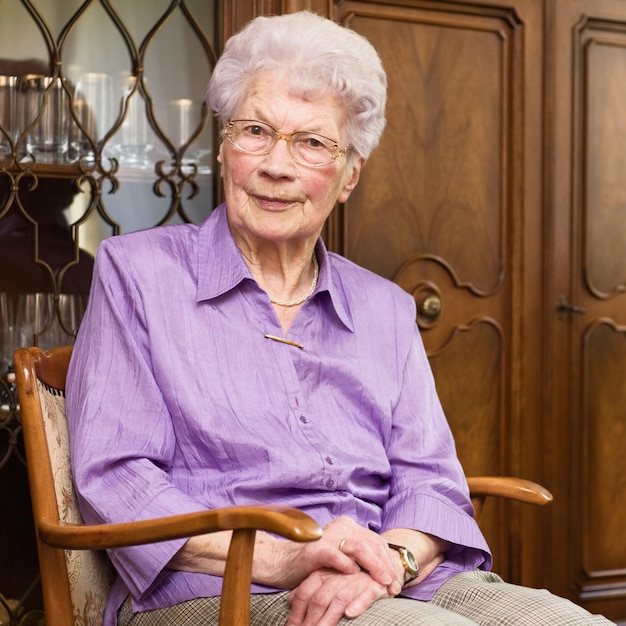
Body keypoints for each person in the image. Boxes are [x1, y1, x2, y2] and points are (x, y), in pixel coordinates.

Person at [66, 11, 614, 626]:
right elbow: (116, 479)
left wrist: (390, 564)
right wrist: (290, 558)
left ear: (349, 175)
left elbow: (431, 481)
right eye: (255, 130)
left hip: (396, 578)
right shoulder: (138, 274)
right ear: (223, 150)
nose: (278, 165)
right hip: (222, 587)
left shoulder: (385, 307)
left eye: (313, 143)